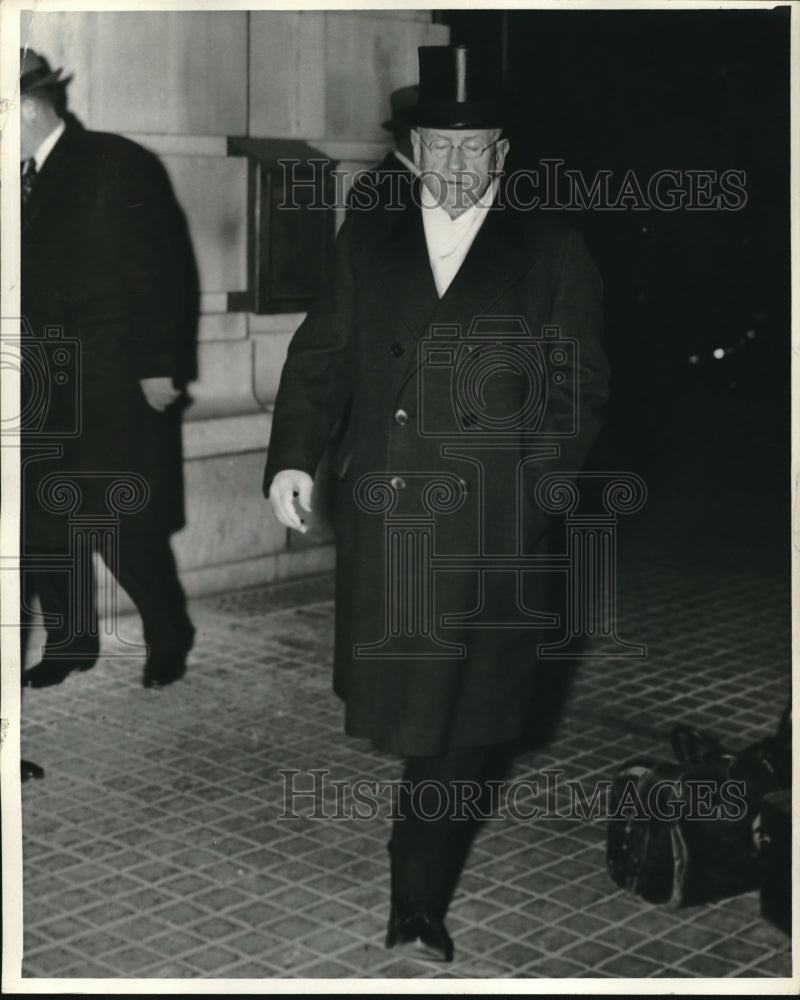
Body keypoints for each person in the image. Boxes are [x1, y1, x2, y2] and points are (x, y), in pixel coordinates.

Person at [265, 44, 609, 961]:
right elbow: (321, 357)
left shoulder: (550, 249)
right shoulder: (367, 238)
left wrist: (535, 490)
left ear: (501, 155)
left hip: (492, 525)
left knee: (466, 724)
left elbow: (577, 390)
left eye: (478, 149)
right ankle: (415, 846)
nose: (458, 167)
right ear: (412, 154)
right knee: (415, 708)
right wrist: (292, 459)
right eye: (440, 149)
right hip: (389, 519)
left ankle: (416, 893)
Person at [18, 49, 197, 694]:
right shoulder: (18, 179)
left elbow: (162, 275)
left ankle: (169, 634)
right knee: (45, 530)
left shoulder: (116, 165)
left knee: (122, 527)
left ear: (32, 107)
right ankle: (71, 644)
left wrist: (160, 369)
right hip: (38, 391)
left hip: (112, 386)